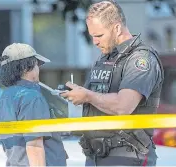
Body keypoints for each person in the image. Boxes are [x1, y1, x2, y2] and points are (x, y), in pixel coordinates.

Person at [60, 0, 164, 166]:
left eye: (99, 35)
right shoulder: (106, 58)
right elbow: (94, 100)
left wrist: (87, 95)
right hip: (96, 155)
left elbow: (123, 106)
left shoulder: (140, 59)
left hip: (126, 156)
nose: (95, 41)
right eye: (92, 35)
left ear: (117, 28)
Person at [0, 43, 68, 167]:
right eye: (36, 65)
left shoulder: (4, 97)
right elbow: (35, 145)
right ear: (25, 68)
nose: (38, 69)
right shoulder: (32, 97)